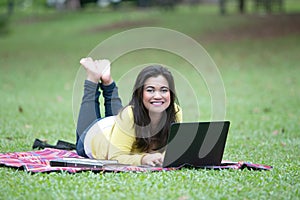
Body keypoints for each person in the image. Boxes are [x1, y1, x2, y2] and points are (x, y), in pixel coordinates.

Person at [76, 57, 182, 166]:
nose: (158, 96)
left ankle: (107, 80)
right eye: (150, 90)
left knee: (122, 116)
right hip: (97, 134)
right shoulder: (129, 115)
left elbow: (171, 150)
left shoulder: (175, 112)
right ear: (140, 94)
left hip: (118, 124)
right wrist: (143, 159)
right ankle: (92, 78)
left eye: (164, 90)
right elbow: (115, 158)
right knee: (121, 114)